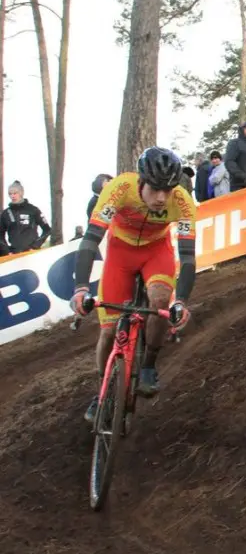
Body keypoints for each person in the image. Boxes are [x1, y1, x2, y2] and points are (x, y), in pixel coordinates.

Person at [71, 147, 197, 423]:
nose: (162, 198)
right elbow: (91, 239)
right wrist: (81, 287)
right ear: (141, 181)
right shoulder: (119, 188)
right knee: (108, 332)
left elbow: (187, 258)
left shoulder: (183, 202)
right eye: (155, 189)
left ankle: (149, 364)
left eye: (169, 190)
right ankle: (102, 391)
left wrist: (181, 302)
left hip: (156, 251)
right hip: (120, 254)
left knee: (161, 299)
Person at [1, 181, 51, 256]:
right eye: (10, 194)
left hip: (31, 254)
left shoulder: (33, 210)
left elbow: (47, 230)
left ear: (21, 193)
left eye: (15, 193)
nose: (12, 196)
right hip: (14, 255)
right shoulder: (5, 213)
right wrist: (7, 251)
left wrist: (35, 246)